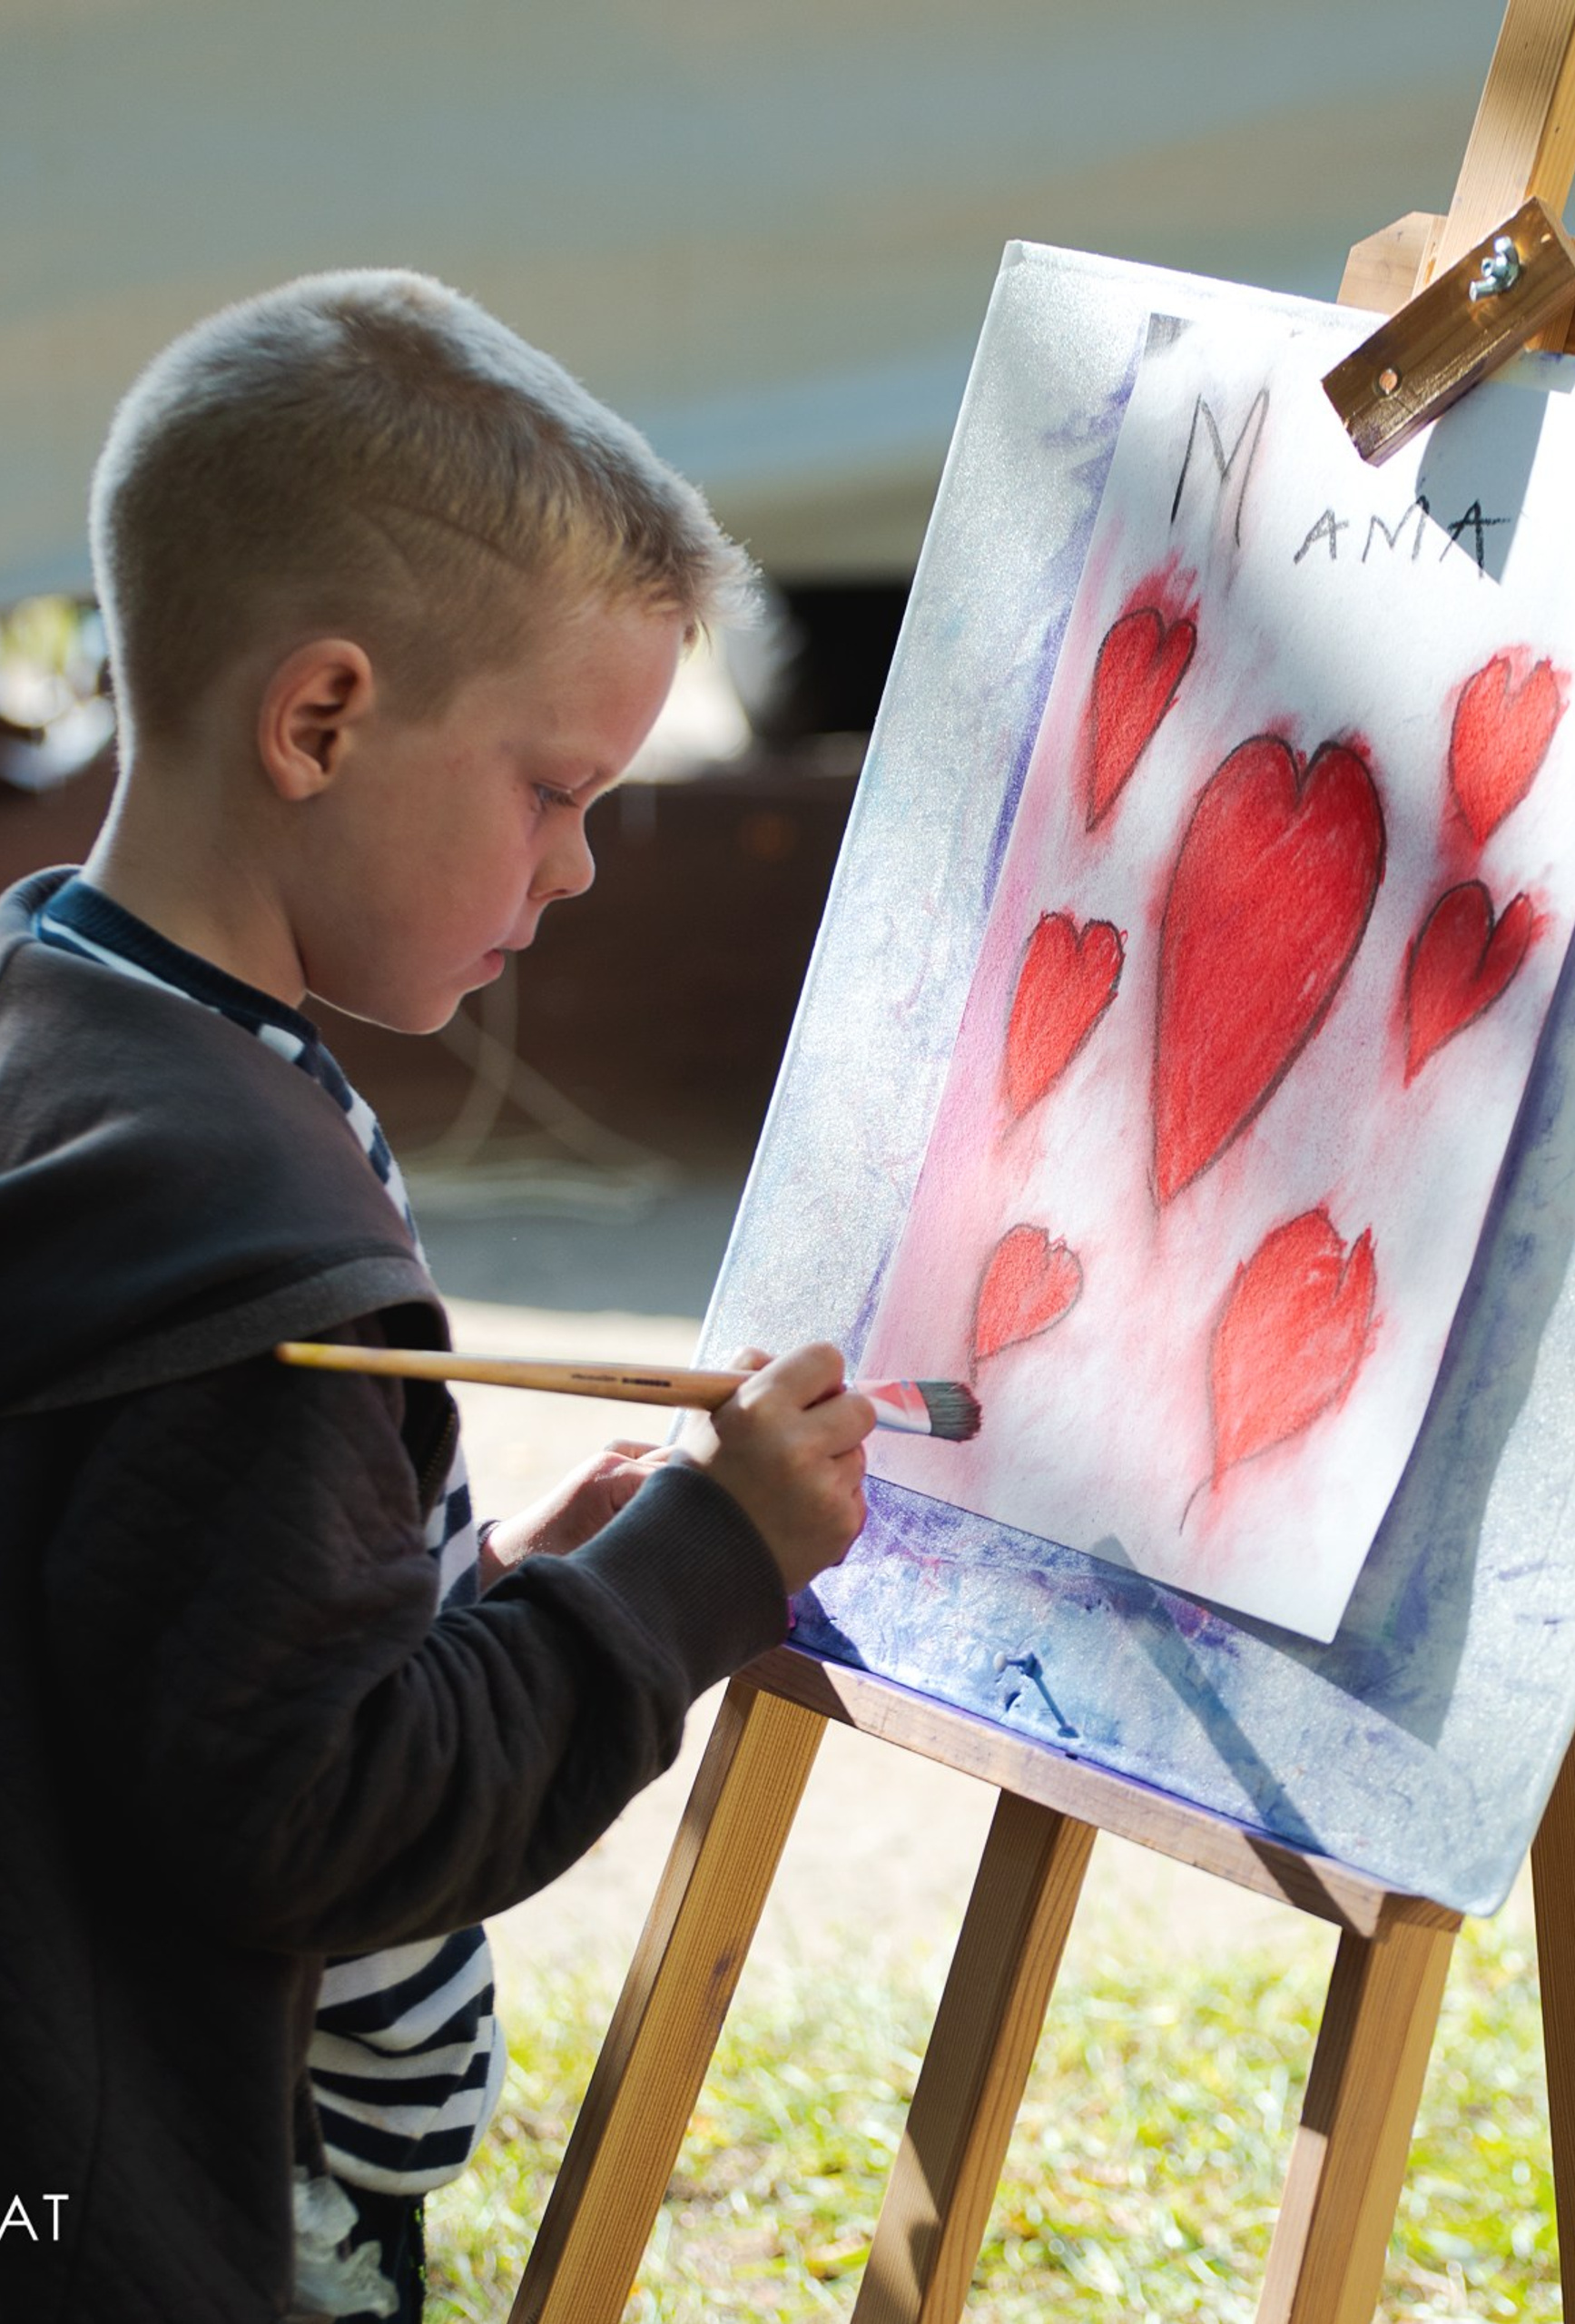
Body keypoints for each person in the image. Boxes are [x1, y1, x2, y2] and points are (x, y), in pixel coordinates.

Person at [0, 270, 876, 2324]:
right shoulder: (249, 1241)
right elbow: (315, 1817)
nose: (574, 869)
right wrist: (689, 1576)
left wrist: (475, 1599)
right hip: (160, 2227)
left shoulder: (59, 1017)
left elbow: (151, 1636)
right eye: (554, 791)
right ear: (321, 719)